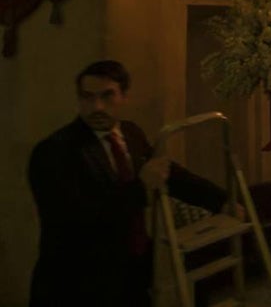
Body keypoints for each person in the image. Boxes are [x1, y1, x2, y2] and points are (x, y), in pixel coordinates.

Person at [28, 60, 229, 307]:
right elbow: (77, 218)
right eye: (88, 97)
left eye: (107, 96)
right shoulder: (55, 151)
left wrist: (221, 201)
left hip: (130, 273)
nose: (97, 106)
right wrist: (141, 187)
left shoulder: (130, 133)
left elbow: (169, 173)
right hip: (77, 284)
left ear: (124, 97)